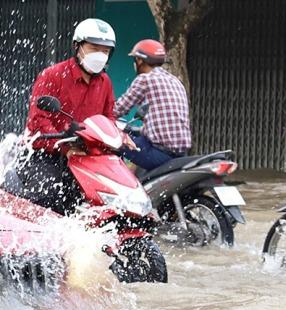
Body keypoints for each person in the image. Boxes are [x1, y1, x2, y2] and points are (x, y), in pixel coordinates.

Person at [11, 18, 118, 214]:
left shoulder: (105, 82)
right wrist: (66, 147)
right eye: (94, 47)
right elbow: (38, 121)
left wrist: (117, 137)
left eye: (105, 51)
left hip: (86, 155)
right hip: (45, 153)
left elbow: (109, 118)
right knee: (50, 195)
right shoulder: (52, 75)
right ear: (77, 46)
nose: (99, 55)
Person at [116, 39, 191, 171]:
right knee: (138, 140)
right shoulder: (175, 81)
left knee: (114, 142)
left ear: (139, 61)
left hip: (160, 153)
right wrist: (139, 130)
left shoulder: (145, 79)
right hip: (180, 154)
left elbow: (118, 109)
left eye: (135, 60)